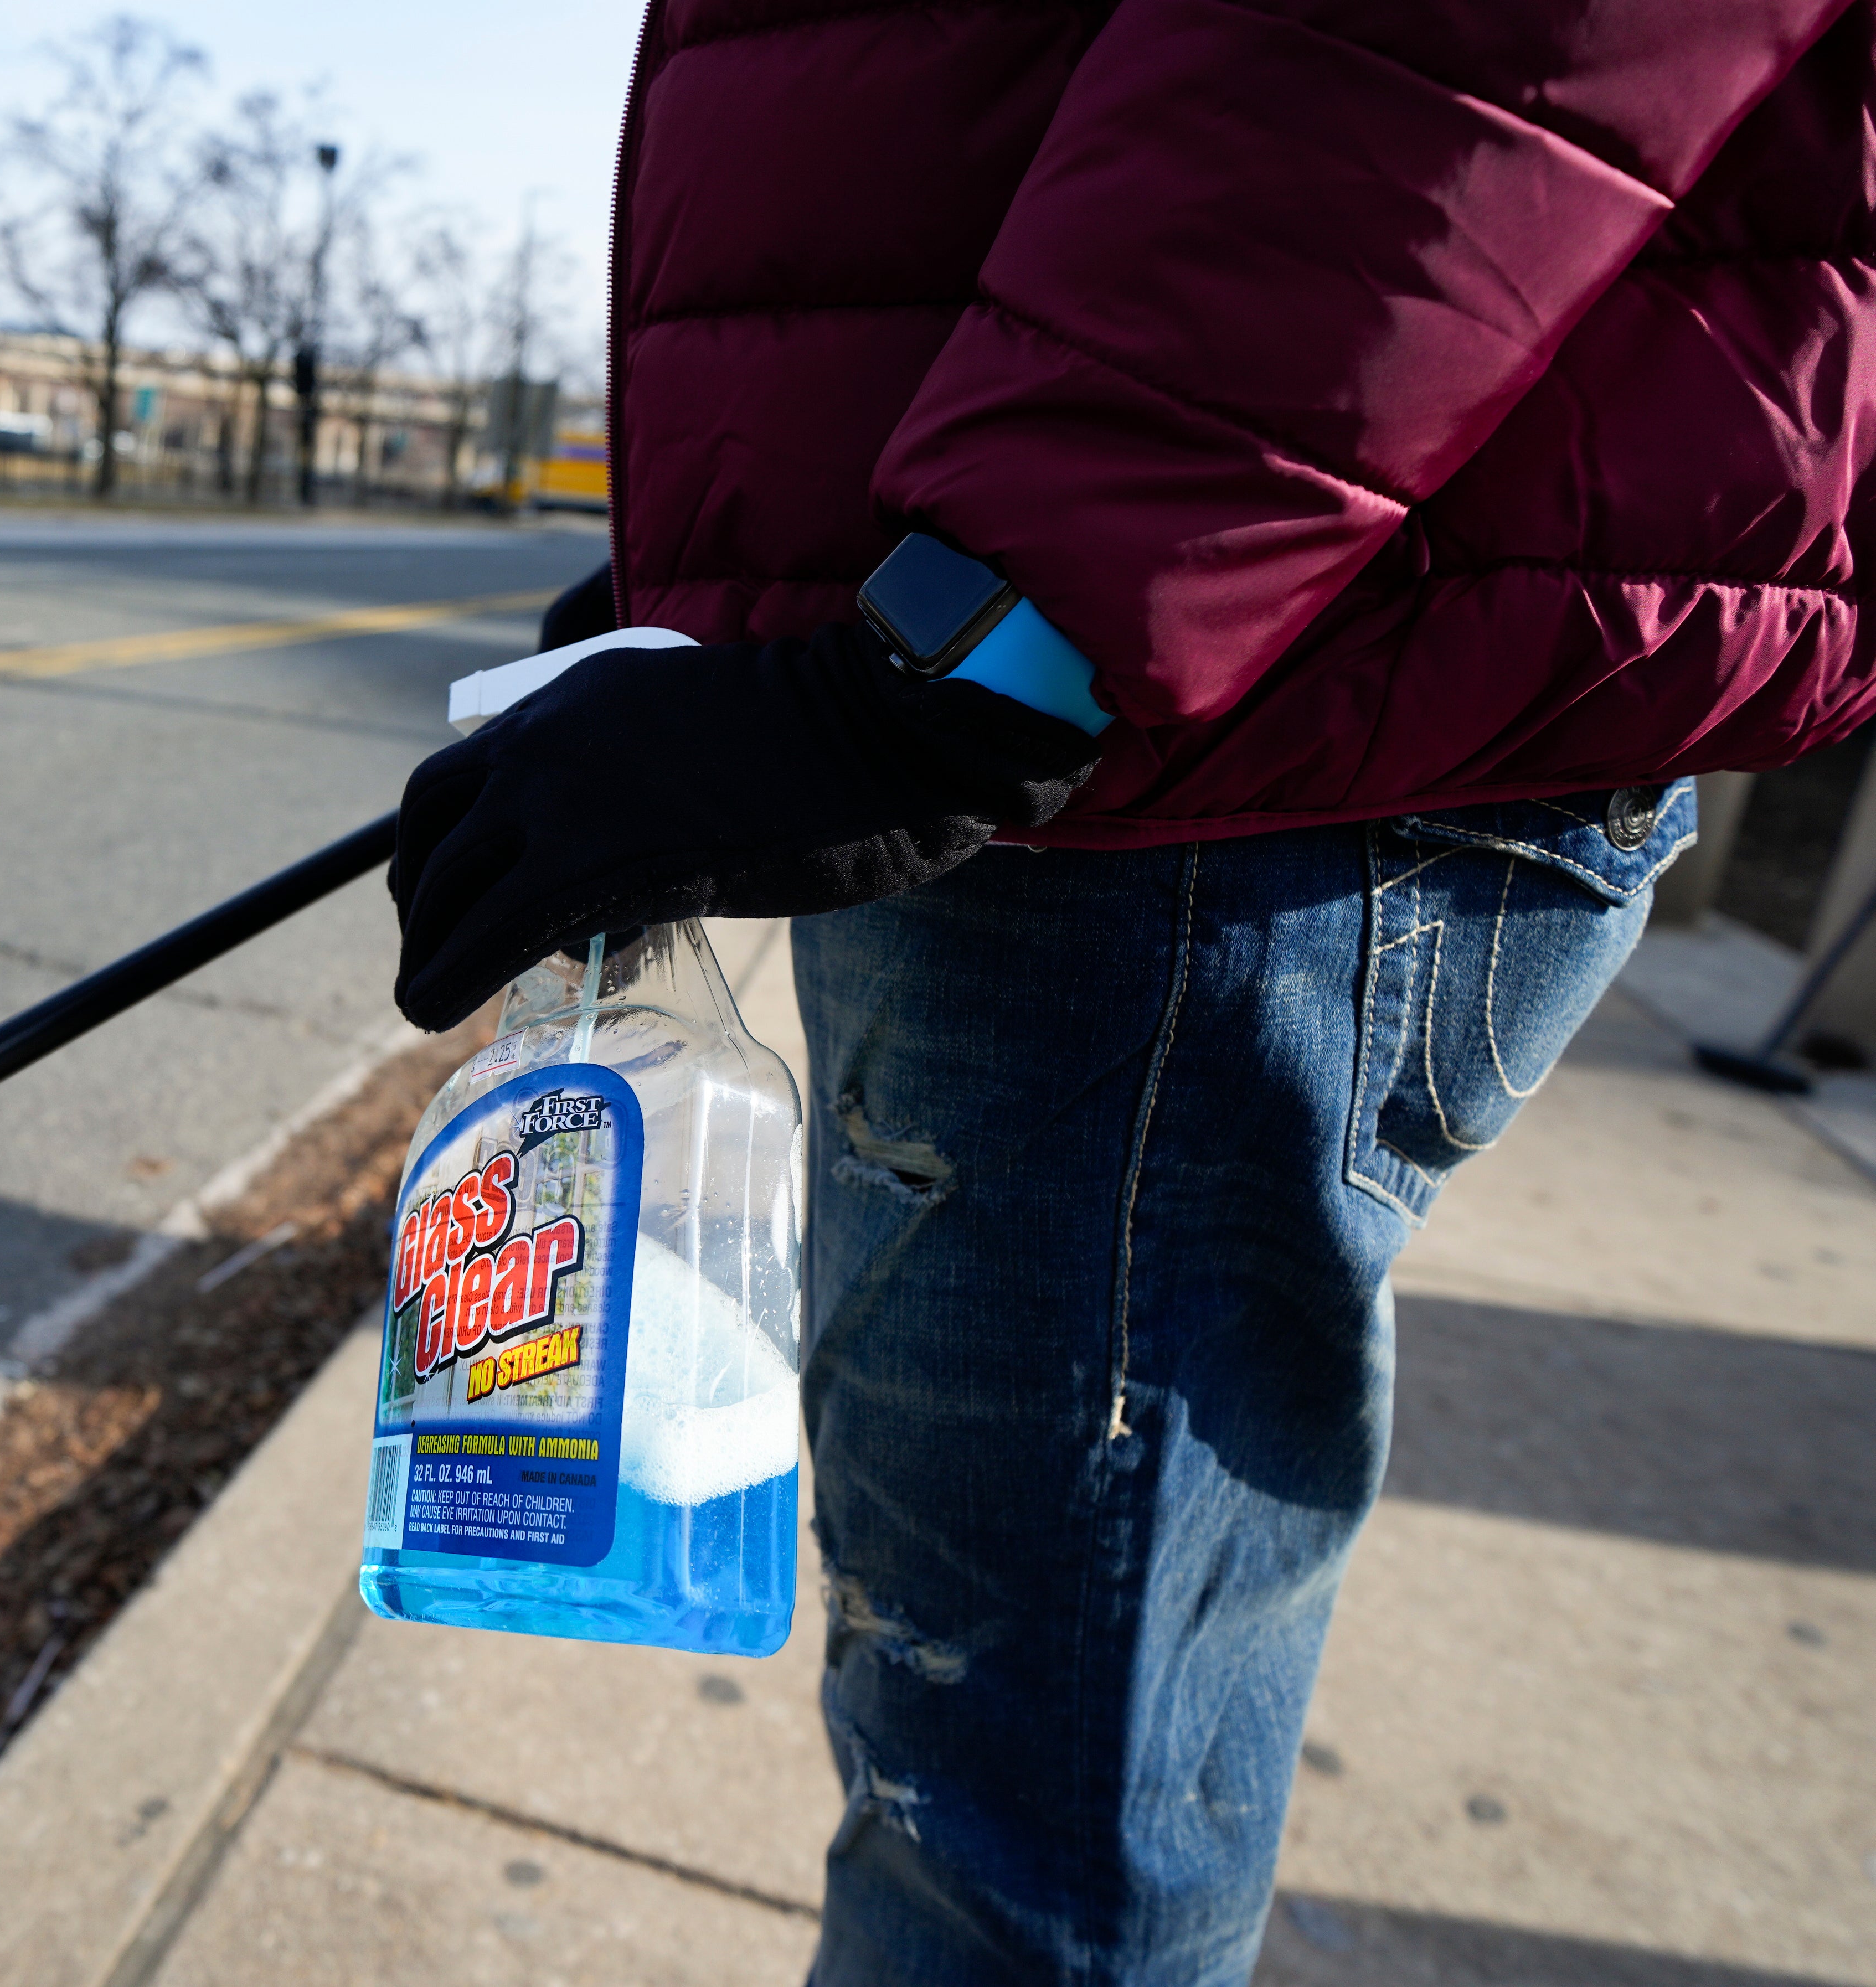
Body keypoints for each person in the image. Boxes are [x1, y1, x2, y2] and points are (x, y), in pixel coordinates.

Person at [388, 2, 1876, 1980]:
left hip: (1191, 748)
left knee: (1015, 1841)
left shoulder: (1070, 654)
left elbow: (1451, 60)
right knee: (994, 1758)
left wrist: (994, 626)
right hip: (1159, 684)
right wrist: (760, 584)